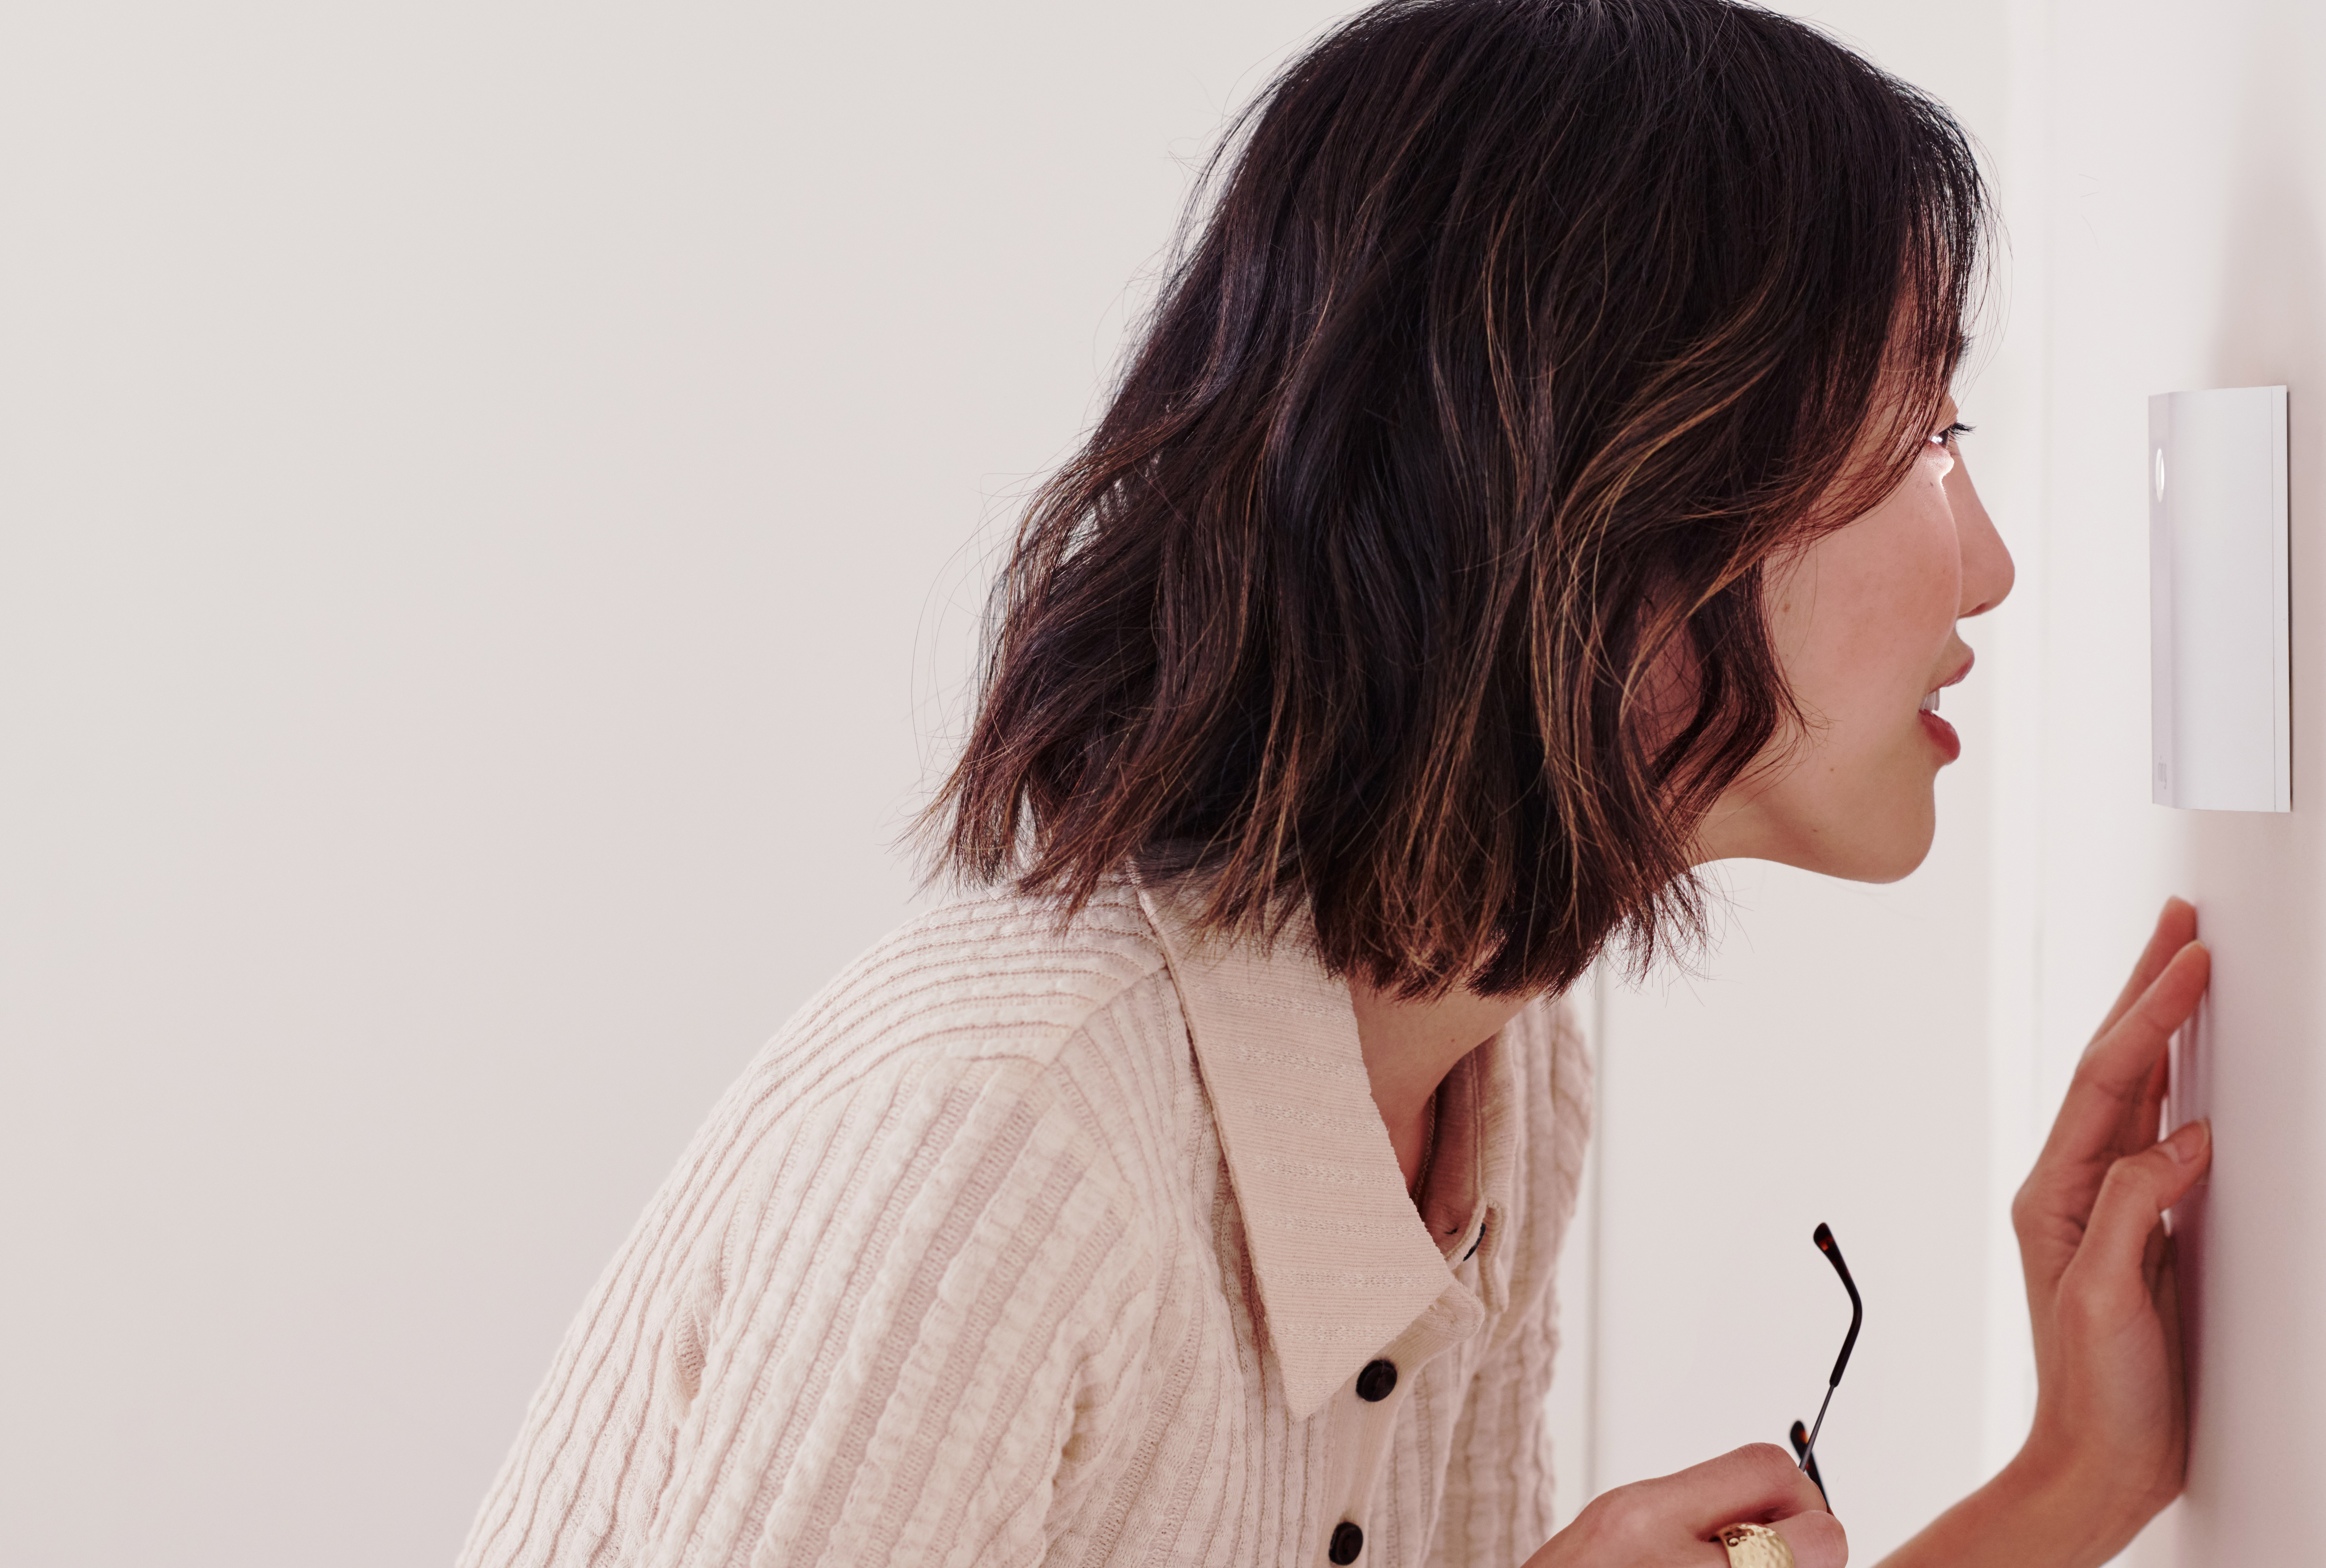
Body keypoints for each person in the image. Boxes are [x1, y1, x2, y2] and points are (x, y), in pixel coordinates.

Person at [455, 2, 2214, 1565]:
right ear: (1617, 492)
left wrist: (2066, 1487)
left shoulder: (1494, 1078)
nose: (1980, 566)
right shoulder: (1008, 1134)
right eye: (1923, 437)